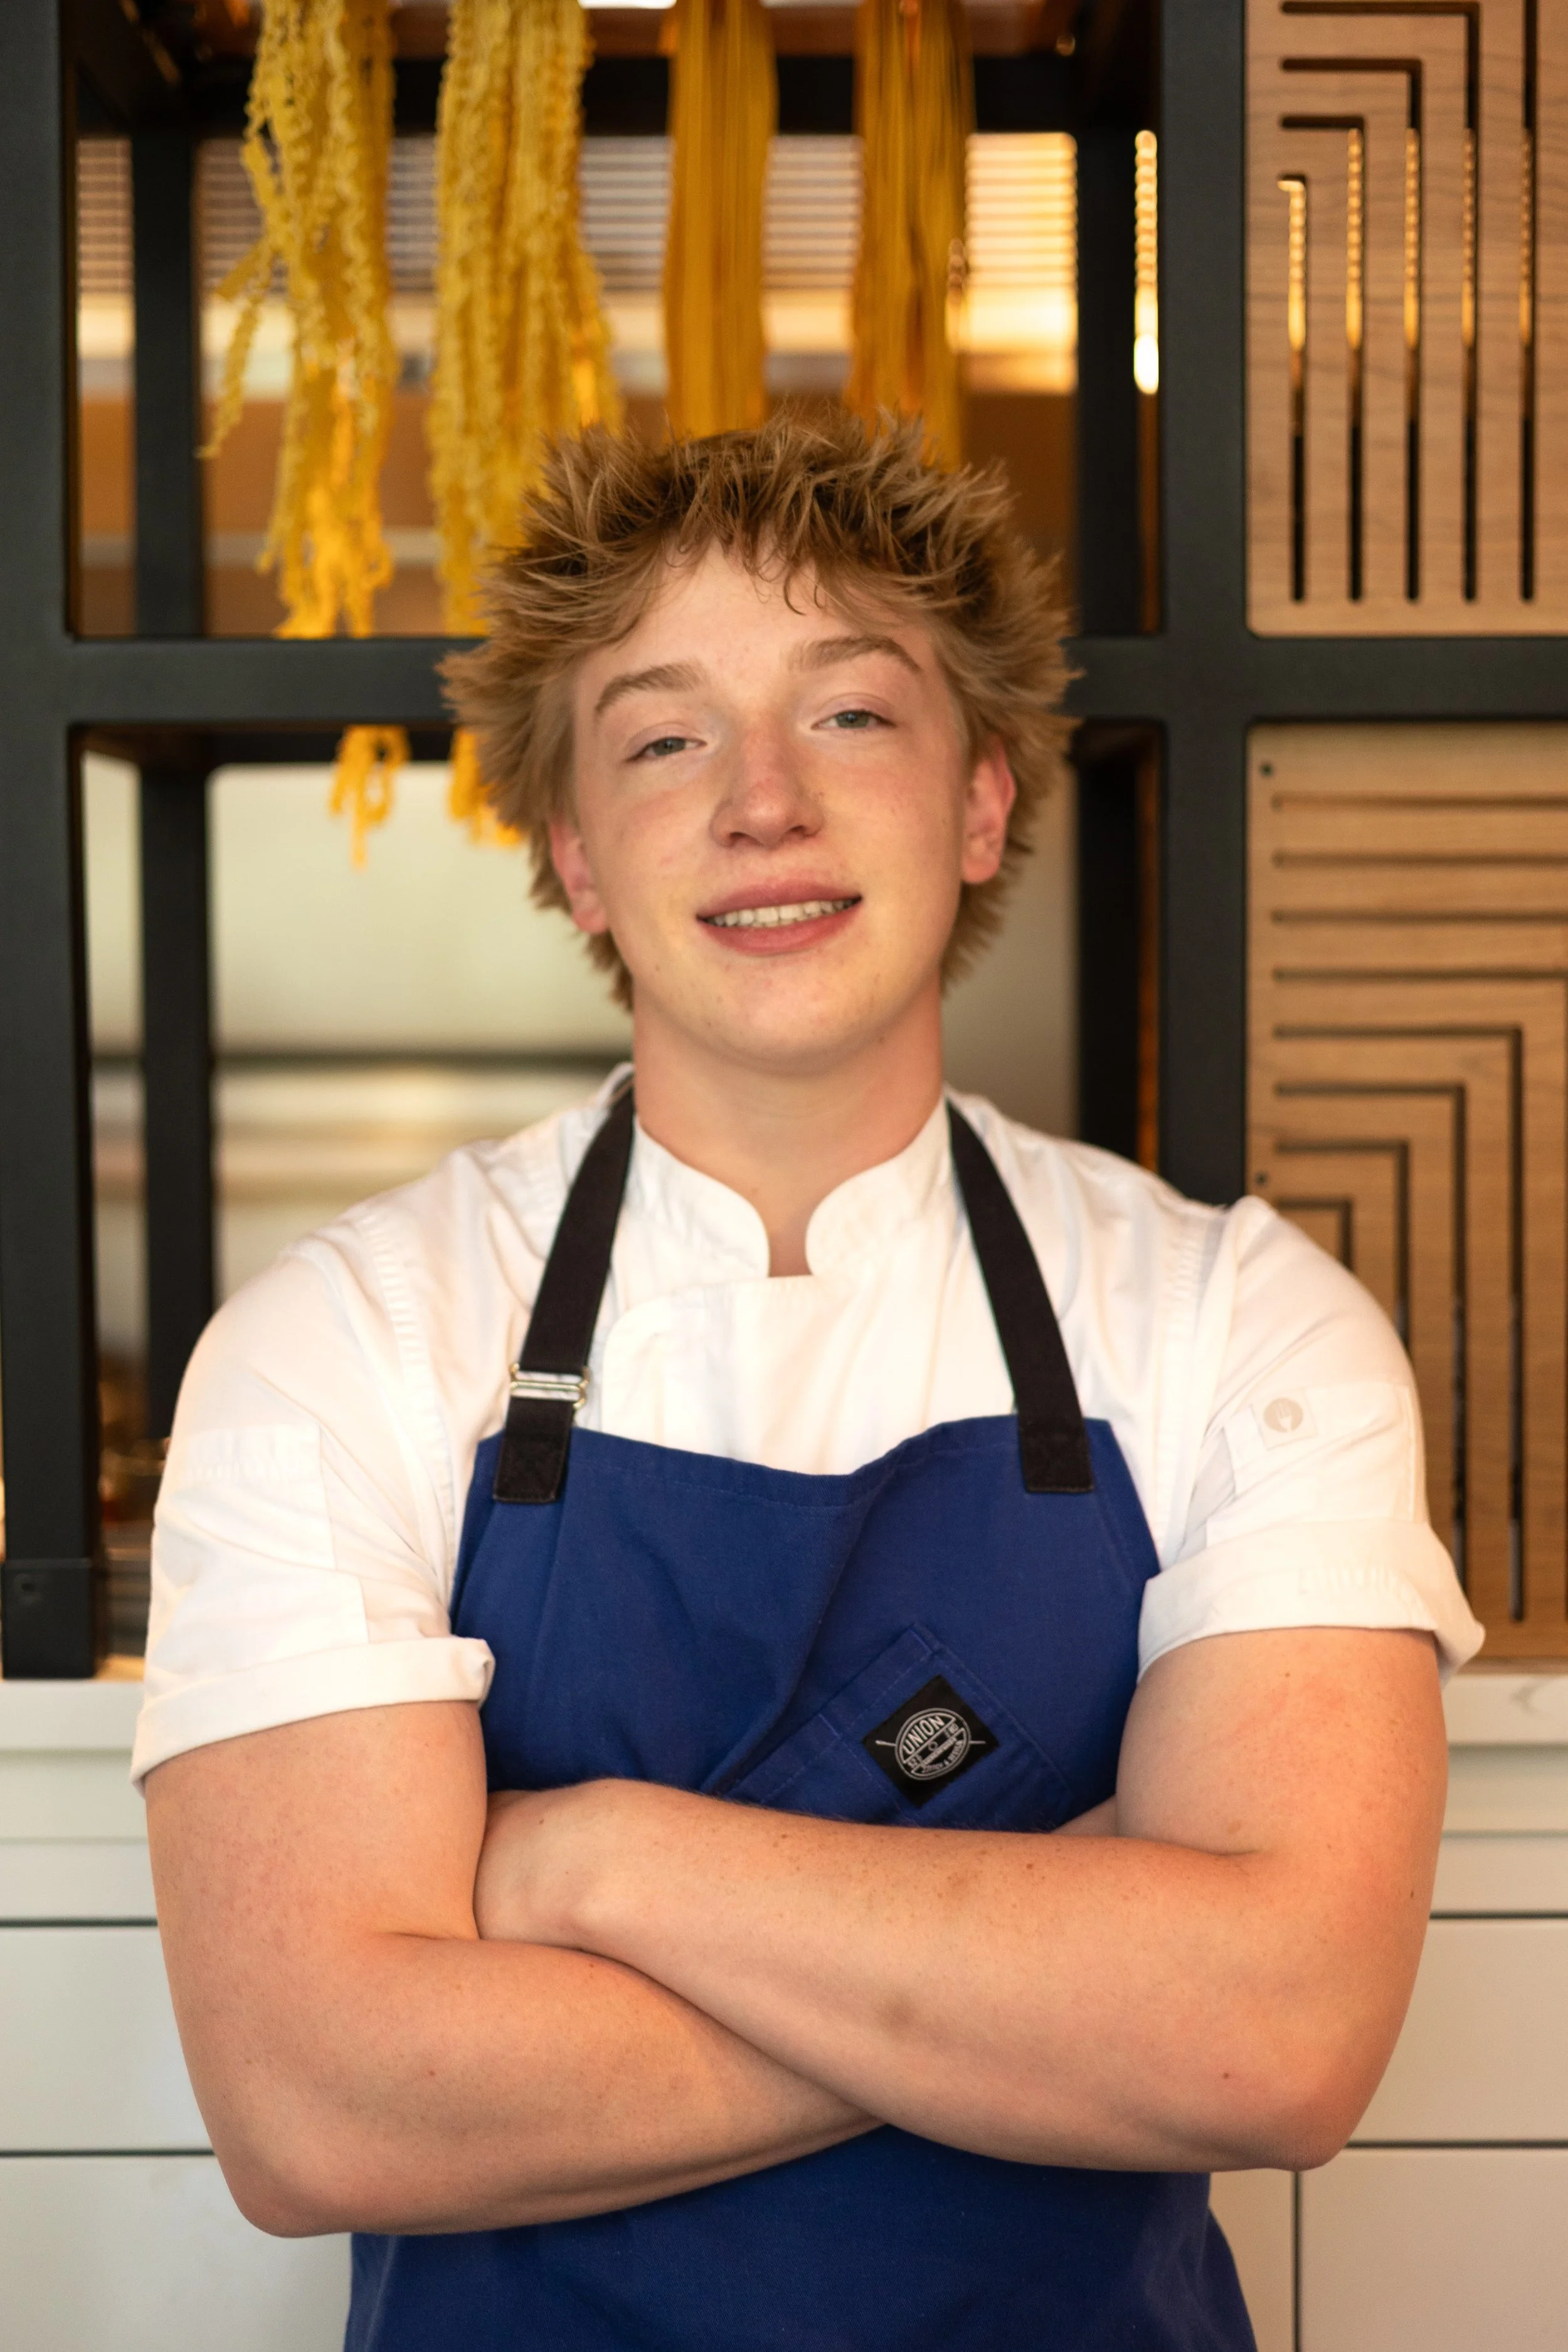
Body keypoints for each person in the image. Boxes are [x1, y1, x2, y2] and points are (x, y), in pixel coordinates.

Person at [140, 411, 1481, 2352]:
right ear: (577, 858)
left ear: (979, 807)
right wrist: (1068, 1962)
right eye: (667, 734)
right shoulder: (339, 1335)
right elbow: (320, 2101)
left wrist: (590, 1857)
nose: (761, 800)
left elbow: (1273, 2043)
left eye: (849, 715)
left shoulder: (1231, 1318)